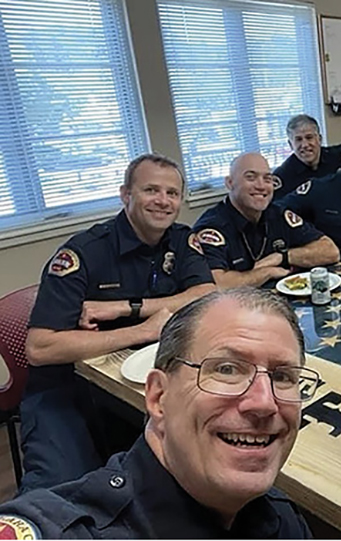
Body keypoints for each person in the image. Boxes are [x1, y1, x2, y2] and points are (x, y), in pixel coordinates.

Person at [0, 288, 315, 538]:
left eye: (283, 376)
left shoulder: (280, 518)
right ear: (159, 396)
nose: (264, 402)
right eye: (227, 369)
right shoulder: (71, 530)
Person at [21, 153, 216, 493]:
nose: (163, 201)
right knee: (59, 492)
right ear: (126, 194)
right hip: (68, 388)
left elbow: (206, 294)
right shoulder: (83, 252)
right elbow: (40, 347)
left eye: (172, 193)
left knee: (189, 474)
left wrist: (127, 308)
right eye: (151, 190)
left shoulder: (182, 241)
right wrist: (142, 330)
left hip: (144, 385)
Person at [193, 152, 339, 289]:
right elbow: (217, 285)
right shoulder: (212, 228)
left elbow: (330, 251)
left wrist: (282, 257)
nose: (261, 186)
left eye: (267, 179)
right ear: (230, 183)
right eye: (251, 177)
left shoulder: (278, 214)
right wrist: (267, 272)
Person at [271, 114, 341, 200]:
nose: (305, 145)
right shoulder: (282, 176)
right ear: (291, 145)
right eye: (298, 139)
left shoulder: (340, 157)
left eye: (309, 137)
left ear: (320, 139)